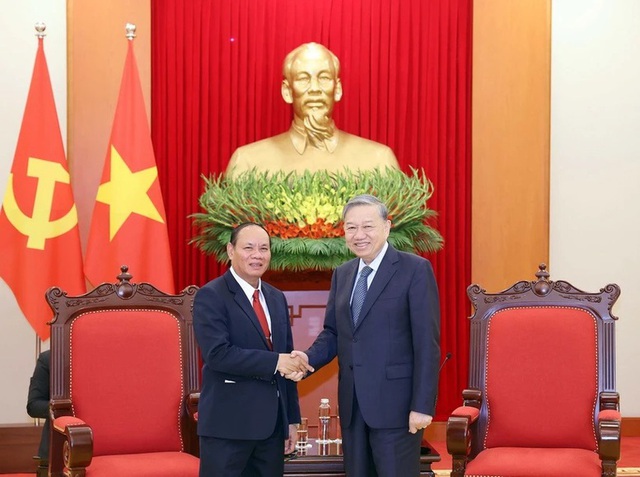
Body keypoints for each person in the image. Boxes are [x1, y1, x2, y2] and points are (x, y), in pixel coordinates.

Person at [292, 194, 441, 477]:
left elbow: (427, 344)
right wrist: (307, 358)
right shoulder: (343, 274)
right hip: (353, 407)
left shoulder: (414, 270)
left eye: (368, 226)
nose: (359, 235)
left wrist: (422, 406)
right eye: (351, 227)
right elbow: (334, 333)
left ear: (387, 227)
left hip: (398, 409)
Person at [193, 222, 313, 477]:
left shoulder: (276, 297)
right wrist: (275, 362)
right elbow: (218, 354)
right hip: (228, 428)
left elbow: (287, 357)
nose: (257, 255)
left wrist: (291, 420)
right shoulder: (211, 295)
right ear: (230, 250)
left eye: (264, 249)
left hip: (270, 431)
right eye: (248, 248)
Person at [225, 42, 400, 176]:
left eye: (324, 77)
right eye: (303, 78)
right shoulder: (248, 162)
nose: (315, 88)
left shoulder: (379, 161)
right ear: (287, 91)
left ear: (337, 89)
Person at [26, 349, 50, 468]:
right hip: (55, 450)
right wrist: (63, 406)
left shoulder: (105, 356)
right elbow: (34, 405)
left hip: (102, 451)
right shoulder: (49, 358)